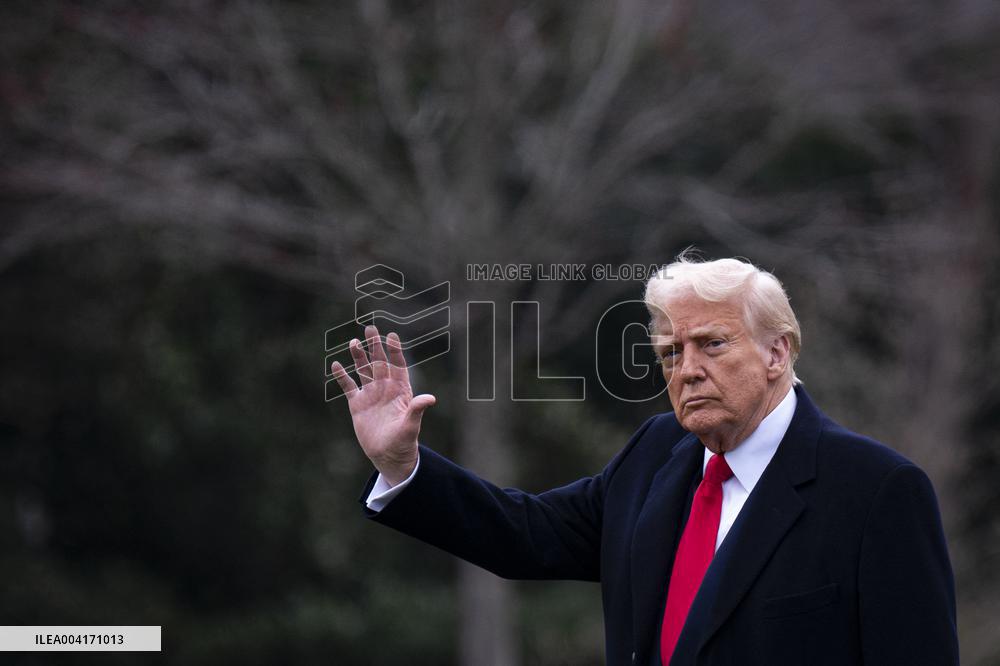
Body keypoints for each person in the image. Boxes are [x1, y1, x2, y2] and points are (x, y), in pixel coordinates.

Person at [330, 255, 959, 666]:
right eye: (669, 352)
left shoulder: (877, 491)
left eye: (712, 344)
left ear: (777, 353)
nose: (687, 370)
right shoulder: (658, 454)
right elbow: (526, 535)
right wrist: (404, 464)